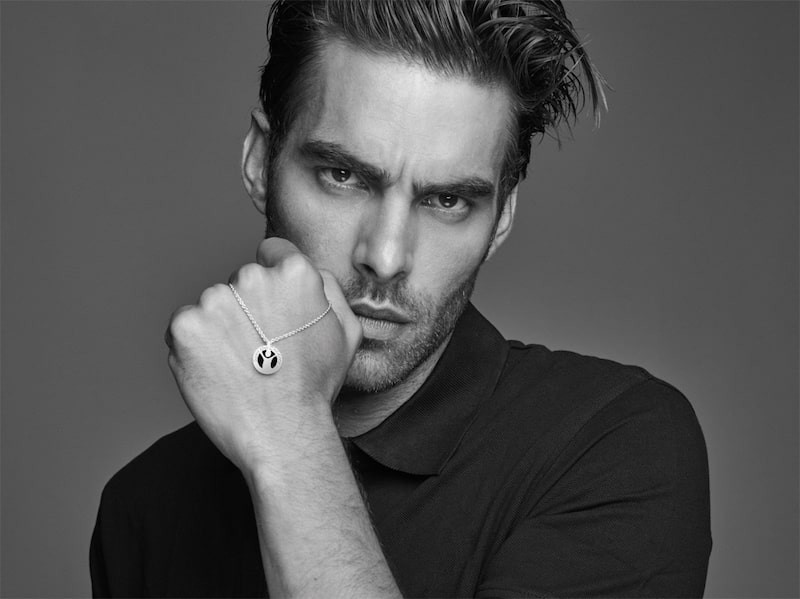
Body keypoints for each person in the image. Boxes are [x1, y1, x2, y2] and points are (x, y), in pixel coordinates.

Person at [90, 1, 711, 596]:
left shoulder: (617, 445)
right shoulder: (144, 507)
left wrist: (289, 437)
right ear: (260, 161)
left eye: (447, 200)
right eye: (343, 176)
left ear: (500, 218)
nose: (385, 258)